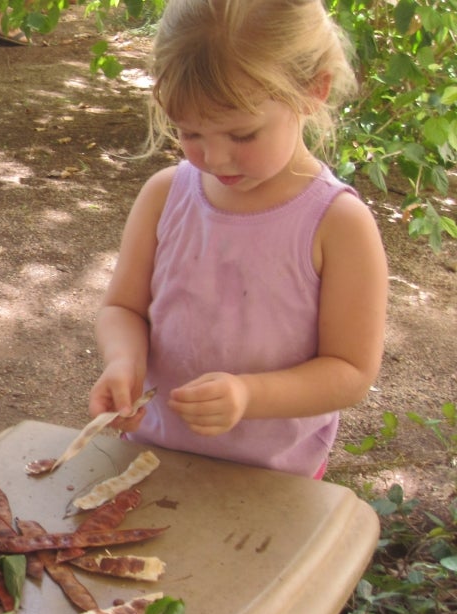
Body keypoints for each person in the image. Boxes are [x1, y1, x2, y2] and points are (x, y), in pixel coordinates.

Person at [89, 0, 388, 478]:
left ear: (314, 91)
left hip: (272, 482)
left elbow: (350, 371)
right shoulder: (165, 195)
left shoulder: (338, 224)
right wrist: (125, 360)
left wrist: (250, 395)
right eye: (190, 132)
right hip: (148, 459)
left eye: (243, 135)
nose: (215, 157)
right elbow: (122, 308)